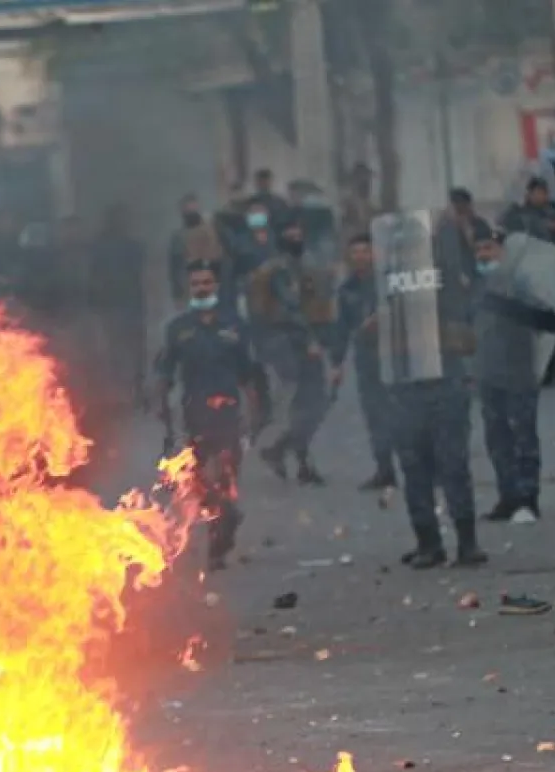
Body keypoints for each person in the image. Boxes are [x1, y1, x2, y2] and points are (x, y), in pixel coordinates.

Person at [381, 218, 487, 570]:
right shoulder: (388, 286)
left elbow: (468, 327)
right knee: (415, 469)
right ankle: (428, 542)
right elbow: (370, 331)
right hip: (405, 388)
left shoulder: (448, 283)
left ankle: (467, 541)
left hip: (446, 382)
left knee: (453, 465)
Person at [155, 260, 267, 571]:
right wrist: (161, 405)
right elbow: (164, 371)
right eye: (196, 283)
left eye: (206, 282)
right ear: (189, 288)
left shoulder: (235, 326)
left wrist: (256, 411)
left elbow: (249, 373)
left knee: (225, 481)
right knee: (200, 486)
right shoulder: (178, 329)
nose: (201, 288)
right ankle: (224, 517)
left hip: (228, 417)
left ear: (216, 285)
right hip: (195, 417)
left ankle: (218, 546)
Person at [248, 211, 337, 485]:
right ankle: (292, 457)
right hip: (288, 343)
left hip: (298, 341)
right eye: (289, 230)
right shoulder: (280, 270)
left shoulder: (301, 265)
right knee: (308, 403)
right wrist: (310, 339)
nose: (296, 234)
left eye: (298, 229)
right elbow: (292, 307)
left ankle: (283, 452)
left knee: (314, 403)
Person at [472, 226, 544, 524]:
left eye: (489, 248)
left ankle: (527, 498)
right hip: (488, 371)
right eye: (479, 250)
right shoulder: (474, 286)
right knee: (497, 436)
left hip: (518, 371)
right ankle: (508, 496)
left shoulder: (520, 282)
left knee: (522, 435)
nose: (483, 255)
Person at [335, 234, 397, 490]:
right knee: (374, 416)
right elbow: (342, 328)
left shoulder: (388, 282)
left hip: (394, 356)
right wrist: (337, 362)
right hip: (366, 360)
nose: (360, 256)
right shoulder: (347, 289)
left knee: (402, 415)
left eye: (365, 251)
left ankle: (421, 468)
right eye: (356, 252)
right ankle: (385, 470)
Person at [92, 203, 150, 407]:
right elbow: (95, 277)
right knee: (118, 350)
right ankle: (122, 392)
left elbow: (143, 275)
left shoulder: (133, 246)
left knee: (134, 351)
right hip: (113, 305)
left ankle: (135, 390)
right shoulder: (100, 247)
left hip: (131, 304)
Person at [169, 193, 224, 306]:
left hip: (212, 285)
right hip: (188, 288)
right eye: (188, 208)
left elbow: (219, 258)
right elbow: (175, 268)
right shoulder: (178, 237)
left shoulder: (212, 232)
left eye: (193, 206)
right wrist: (177, 294)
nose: (191, 210)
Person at [338, 162, 379, 244]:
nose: (366, 183)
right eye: (362, 180)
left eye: (367, 180)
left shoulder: (371, 207)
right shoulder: (347, 205)